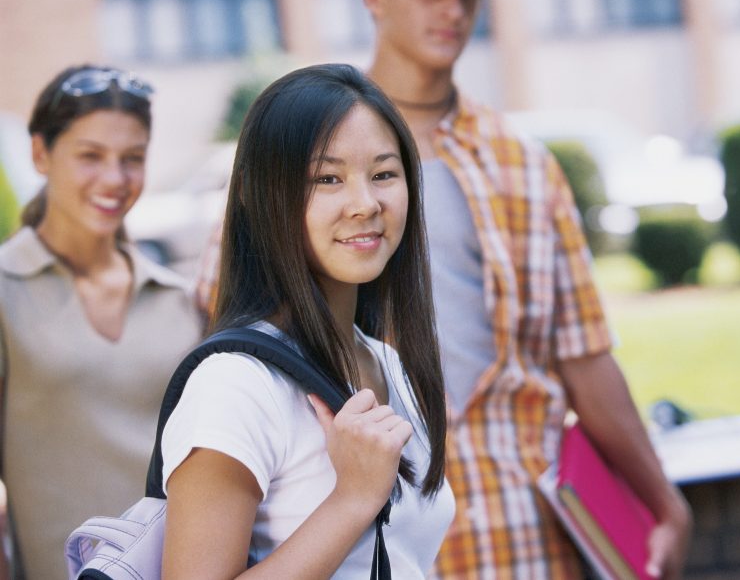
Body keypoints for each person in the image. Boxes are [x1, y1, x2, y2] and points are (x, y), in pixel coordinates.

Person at [352, 0, 693, 579]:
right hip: (382, 524)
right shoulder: (307, 153)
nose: (454, 8)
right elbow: (240, 328)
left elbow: (585, 356)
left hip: (524, 524)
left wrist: (665, 500)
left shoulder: (522, 163)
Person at [161, 63, 453, 577]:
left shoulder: (386, 361)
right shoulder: (236, 384)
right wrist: (351, 500)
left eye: (384, 173)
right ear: (258, 195)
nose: (365, 204)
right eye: (327, 178)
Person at [0, 65, 203, 579]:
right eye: (90, 156)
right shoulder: (5, 290)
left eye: (132, 159)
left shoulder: (183, 299)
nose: (114, 179)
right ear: (41, 154)